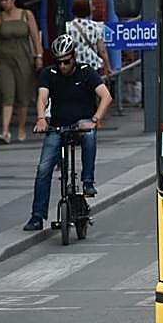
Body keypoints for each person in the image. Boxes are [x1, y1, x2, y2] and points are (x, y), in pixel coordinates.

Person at [24, 34, 112, 232]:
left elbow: (106, 97)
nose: (62, 66)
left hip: (82, 123)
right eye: (59, 62)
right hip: (57, 125)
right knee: (43, 169)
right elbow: (42, 98)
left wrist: (95, 120)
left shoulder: (86, 72)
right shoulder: (49, 73)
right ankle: (37, 217)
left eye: (66, 61)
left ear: (73, 57)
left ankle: (88, 181)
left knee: (89, 136)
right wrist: (40, 119)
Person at [0, 0, 42, 144]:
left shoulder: (26, 15)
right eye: (1, 0)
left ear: (13, 0)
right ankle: (5, 131)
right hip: (4, 60)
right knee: (8, 94)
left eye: (6, 0)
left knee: (23, 95)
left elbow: (34, 37)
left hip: (23, 59)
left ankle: (20, 128)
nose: (3, 3)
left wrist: (38, 56)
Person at [66, 0, 112, 78]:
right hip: (92, 66)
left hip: (75, 67)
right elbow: (102, 50)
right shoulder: (96, 26)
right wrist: (108, 66)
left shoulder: (68, 27)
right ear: (88, 10)